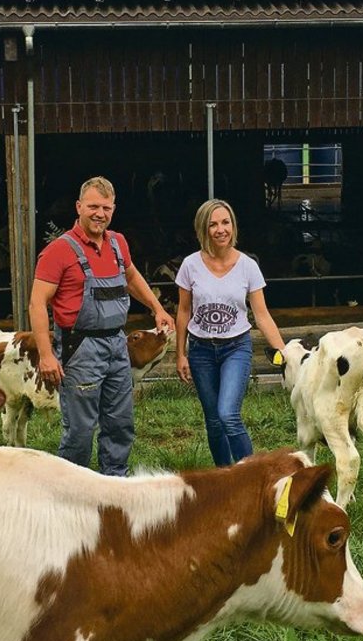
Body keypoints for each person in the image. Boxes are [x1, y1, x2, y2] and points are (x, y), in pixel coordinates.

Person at [29, 176, 174, 475]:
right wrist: (46, 354)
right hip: (80, 347)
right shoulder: (58, 251)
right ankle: (71, 491)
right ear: (79, 207)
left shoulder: (118, 243)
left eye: (106, 208)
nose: (100, 214)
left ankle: (114, 486)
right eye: (93, 206)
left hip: (116, 345)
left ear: (113, 209)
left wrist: (157, 308)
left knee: (121, 423)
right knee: (81, 430)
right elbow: (37, 304)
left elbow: (132, 278)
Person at [175, 198, 286, 467]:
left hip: (235, 347)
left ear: (233, 226)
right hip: (201, 349)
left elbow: (261, 314)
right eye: (213, 224)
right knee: (213, 421)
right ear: (203, 229)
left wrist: (285, 352)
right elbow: (183, 311)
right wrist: (180, 354)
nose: (220, 229)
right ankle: (225, 477)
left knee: (228, 415)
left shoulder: (248, 266)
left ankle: (254, 475)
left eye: (225, 222)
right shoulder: (190, 265)